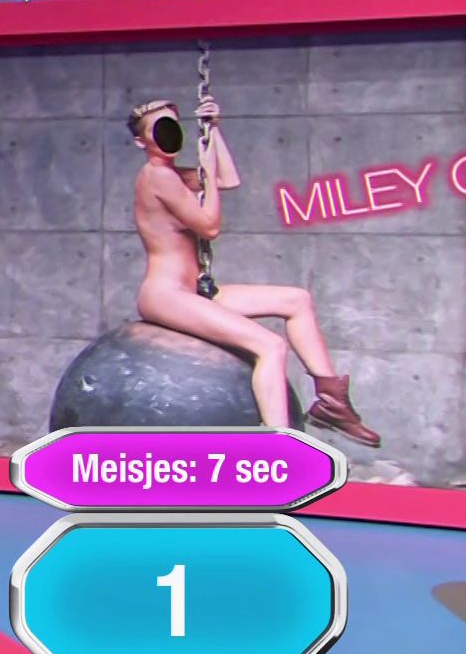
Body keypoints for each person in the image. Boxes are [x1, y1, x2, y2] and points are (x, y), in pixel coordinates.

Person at [127, 96, 377, 445]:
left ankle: (332, 403)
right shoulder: (158, 178)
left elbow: (227, 180)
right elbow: (209, 226)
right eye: (160, 128)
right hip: (166, 295)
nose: (169, 133)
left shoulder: (172, 175)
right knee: (270, 346)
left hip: (192, 292)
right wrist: (207, 171)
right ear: (142, 141)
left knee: (296, 300)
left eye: (173, 125)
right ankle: (279, 445)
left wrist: (213, 130)